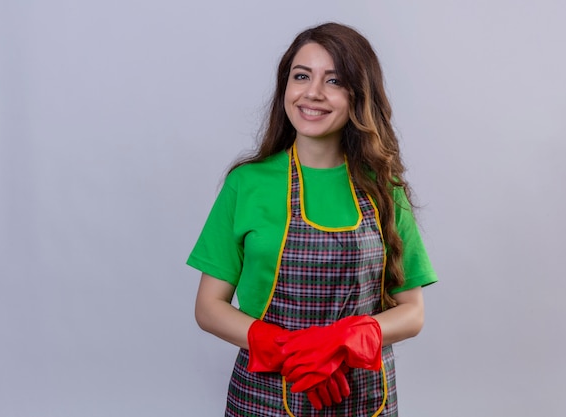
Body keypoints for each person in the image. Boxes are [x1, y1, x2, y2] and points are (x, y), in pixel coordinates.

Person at [187, 22, 437, 417]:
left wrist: (343, 340)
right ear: (285, 87)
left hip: (365, 400)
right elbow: (208, 306)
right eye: (301, 76)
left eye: (334, 80)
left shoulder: (385, 189)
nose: (313, 93)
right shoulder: (246, 183)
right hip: (265, 397)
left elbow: (413, 311)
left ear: (358, 96)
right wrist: (287, 351)